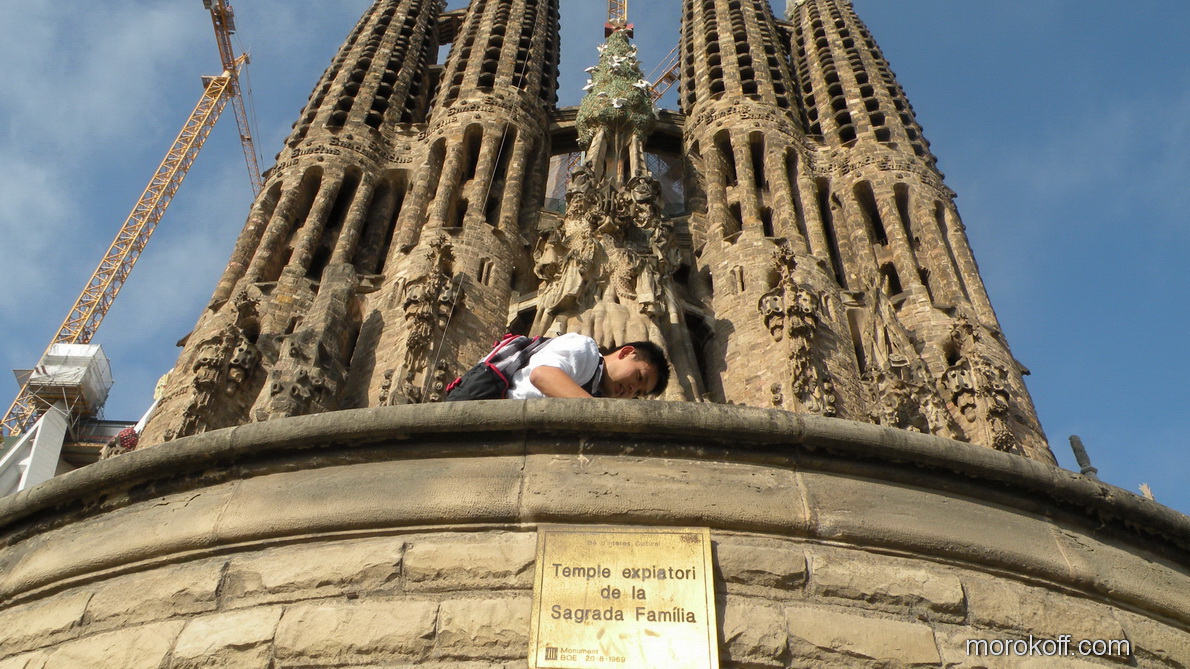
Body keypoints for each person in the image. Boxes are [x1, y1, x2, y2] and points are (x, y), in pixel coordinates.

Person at [506, 332, 669, 400]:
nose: (632, 390)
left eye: (638, 392)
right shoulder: (586, 349)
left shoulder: (594, 390)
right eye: (639, 377)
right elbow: (542, 375)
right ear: (625, 353)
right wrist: (600, 415)